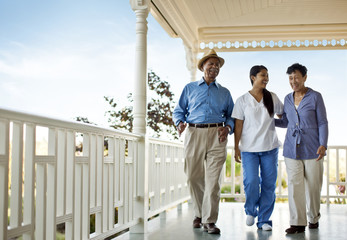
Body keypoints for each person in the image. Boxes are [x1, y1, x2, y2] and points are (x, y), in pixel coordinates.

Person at [172, 49, 234, 234]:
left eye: (217, 65)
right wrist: (179, 122)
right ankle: (199, 213)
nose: (214, 67)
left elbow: (231, 116)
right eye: (211, 64)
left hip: (217, 135)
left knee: (213, 181)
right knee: (193, 177)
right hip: (194, 133)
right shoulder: (189, 88)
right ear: (203, 67)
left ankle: (209, 220)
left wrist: (228, 127)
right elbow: (178, 111)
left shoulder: (225, 92)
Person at [275, 63, 328, 234]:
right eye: (290, 78)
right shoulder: (288, 99)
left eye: (296, 77)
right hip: (291, 148)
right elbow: (285, 122)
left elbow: (322, 122)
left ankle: (313, 218)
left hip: (313, 148)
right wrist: (267, 120)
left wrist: (323, 144)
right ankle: (297, 223)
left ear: (305, 77)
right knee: (294, 185)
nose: (293, 81)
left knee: (313, 186)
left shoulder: (315, 97)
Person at [232, 65, 283, 231]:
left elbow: (283, 116)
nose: (266, 78)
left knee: (268, 184)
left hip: (270, 148)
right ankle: (251, 210)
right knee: (251, 182)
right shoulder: (242, 100)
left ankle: (264, 220)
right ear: (253, 77)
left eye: (267, 75)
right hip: (249, 150)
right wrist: (236, 147)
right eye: (263, 75)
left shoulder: (272, 97)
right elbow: (238, 125)